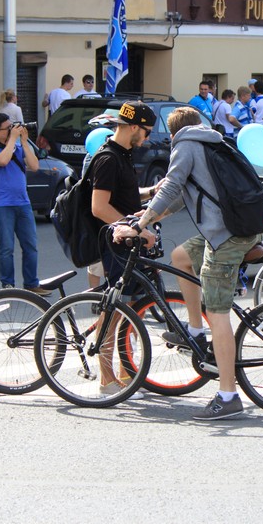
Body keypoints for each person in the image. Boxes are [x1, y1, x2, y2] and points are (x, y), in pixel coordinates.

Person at [114, 107, 262, 420]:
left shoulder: (185, 145)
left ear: (172, 133)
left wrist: (140, 227)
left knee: (218, 314)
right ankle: (195, 330)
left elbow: (169, 186)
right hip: (240, 227)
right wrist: (146, 218)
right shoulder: (214, 142)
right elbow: (184, 195)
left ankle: (228, 395)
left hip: (225, 237)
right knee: (180, 257)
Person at [88, 101, 159, 398]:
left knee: (129, 309)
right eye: (145, 132)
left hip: (126, 244)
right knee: (114, 310)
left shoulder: (123, 155)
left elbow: (124, 195)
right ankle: (106, 381)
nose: (146, 139)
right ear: (132, 127)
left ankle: (124, 372)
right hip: (115, 245)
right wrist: (136, 229)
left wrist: (151, 192)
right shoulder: (108, 159)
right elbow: (99, 207)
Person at [0, 113, 49, 296]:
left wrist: (25, 142)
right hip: (3, 205)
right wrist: (13, 139)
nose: (12, 130)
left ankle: (31, 283)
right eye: (7, 128)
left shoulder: (19, 147)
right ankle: (8, 286)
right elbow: (2, 161)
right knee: (6, 247)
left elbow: (35, 166)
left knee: (30, 245)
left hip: (23, 203)